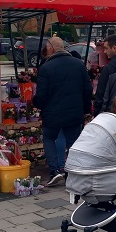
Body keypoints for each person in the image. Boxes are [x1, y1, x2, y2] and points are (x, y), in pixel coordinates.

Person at [33, 37, 92, 187]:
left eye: (47, 47)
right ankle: (73, 172)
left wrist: (37, 104)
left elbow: (41, 94)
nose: (46, 49)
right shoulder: (78, 64)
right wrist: (85, 110)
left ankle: (54, 170)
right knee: (73, 142)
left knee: (49, 138)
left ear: (52, 48)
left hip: (52, 113)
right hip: (74, 112)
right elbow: (87, 90)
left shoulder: (46, 68)